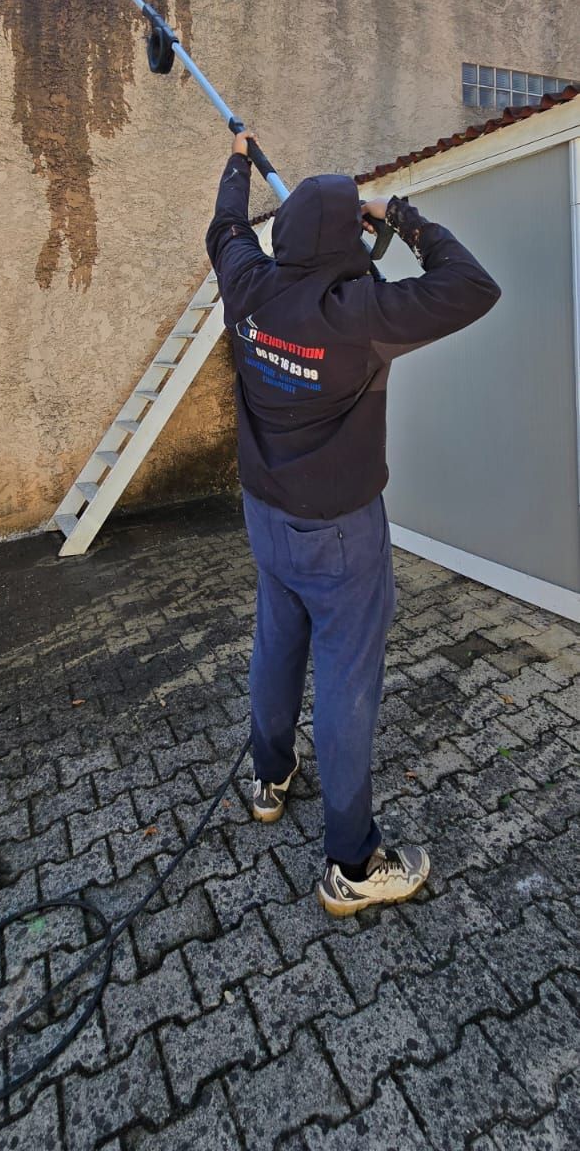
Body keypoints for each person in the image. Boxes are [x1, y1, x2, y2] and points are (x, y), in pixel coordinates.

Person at [206, 132, 501, 916]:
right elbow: (471, 286)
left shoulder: (247, 284)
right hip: (337, 533)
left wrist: (237, 162)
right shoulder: (359, 313)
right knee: (344, 682)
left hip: (263, 515)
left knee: (276, 642)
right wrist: (396, 213)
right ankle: (351, 861)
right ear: (348, 241)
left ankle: (268, 778)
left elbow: (224, 227)